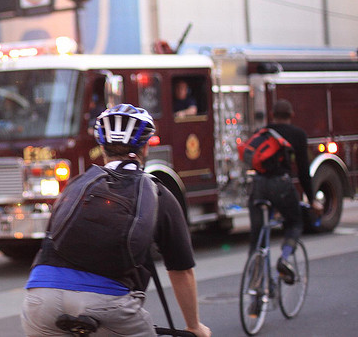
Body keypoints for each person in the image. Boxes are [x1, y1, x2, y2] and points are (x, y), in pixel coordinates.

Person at [21, 104, 211, 337]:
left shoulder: (77, 185)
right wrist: (194, 326)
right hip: (107, 303)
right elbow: (181, 270)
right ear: (145, 147)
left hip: (41, 299)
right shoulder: (157, 193)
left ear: (102, 148)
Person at [248, 99, 322, 284]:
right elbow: (303, 171)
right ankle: (284, 258)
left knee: (257, 237)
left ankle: (255, 284)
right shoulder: (298, 134)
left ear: (272, 115)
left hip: (258, 186)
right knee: (295, 222)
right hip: (281, 185)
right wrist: (312, 199)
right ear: (292, 115)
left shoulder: (262, 132)